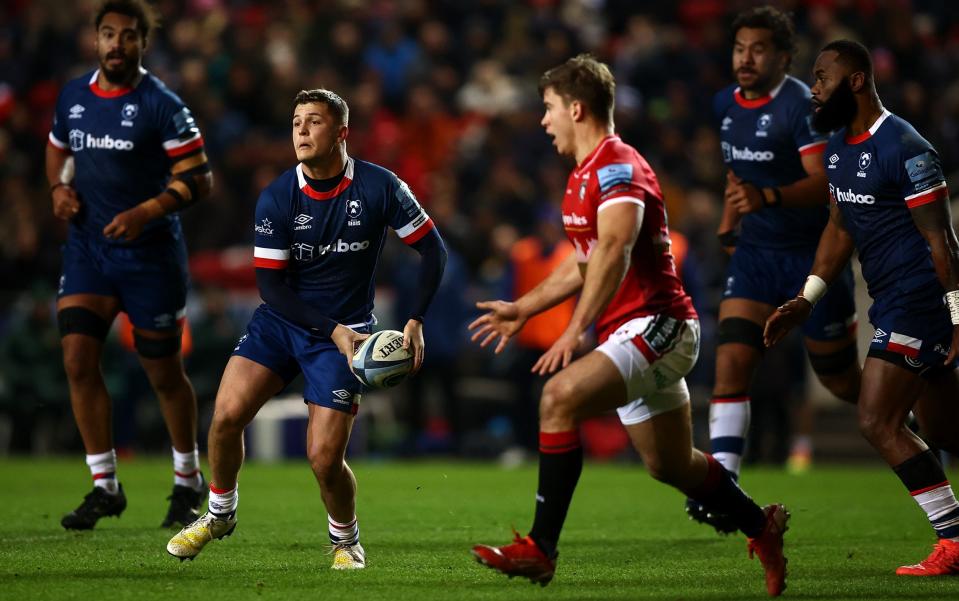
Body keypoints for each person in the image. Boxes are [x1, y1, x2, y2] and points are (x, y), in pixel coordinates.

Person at [468, 55, 789, 597]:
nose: (543, 122)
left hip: (659, 323)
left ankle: (541, 549)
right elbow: (584, 259)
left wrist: (573, 331)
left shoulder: (618, 166)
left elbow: (615, 248)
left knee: (558, 398)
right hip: (631, 331)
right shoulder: (580, 176)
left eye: (548, 109)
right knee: (670, 465)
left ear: (576, 108)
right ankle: (762, 526)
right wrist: (525, 307)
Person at [166, 89, 447, 570]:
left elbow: (433, 250)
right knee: (227, 414)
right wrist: (328, 327)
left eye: (313, 122)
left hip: (350, 336)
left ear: (341, 133)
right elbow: (271, 289)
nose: (300, 130)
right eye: (296, 121)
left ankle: (345, 541)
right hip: (283, 322)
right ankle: (219, 514)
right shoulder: (277, 196)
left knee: (322, 458)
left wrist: (415, 320)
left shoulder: (381, 186)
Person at [765, 40, 959, 575]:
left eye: (823, 77)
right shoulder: (838, 150)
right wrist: (806, 299)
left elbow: (945, 245)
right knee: (944, 431)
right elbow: (838, 227)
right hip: (891, 300)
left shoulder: (906, 146)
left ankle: (955, 540)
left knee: (877, 420)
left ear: (856, 81)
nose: (815, 87)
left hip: (920, 300)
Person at [690, 6, 862, 532]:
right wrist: (728, 220)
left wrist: (766, 196)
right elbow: (734, 171)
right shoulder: (725, 102)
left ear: (784, 57)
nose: (746, 58)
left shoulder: (799, 107)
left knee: (841, 384)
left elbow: (823, 182)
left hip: (813, 259)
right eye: (740, 48)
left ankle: (918, 420)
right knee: (730, 366)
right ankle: (723, 491)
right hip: (757, 255)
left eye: (758, 49)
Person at [45, 0, 212, 530]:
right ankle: (105, 485)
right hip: (88, 250)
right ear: (95, 39)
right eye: (108, 34)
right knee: (76, 358)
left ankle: (187, 480)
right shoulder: (73, 96)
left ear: (144, 43)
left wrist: (145, 211)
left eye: (129, 36)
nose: (117, 44)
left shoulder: (162, 105)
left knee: (163, 372)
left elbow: (198, 177)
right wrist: (58, 188)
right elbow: (55, 149)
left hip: (150, 257)